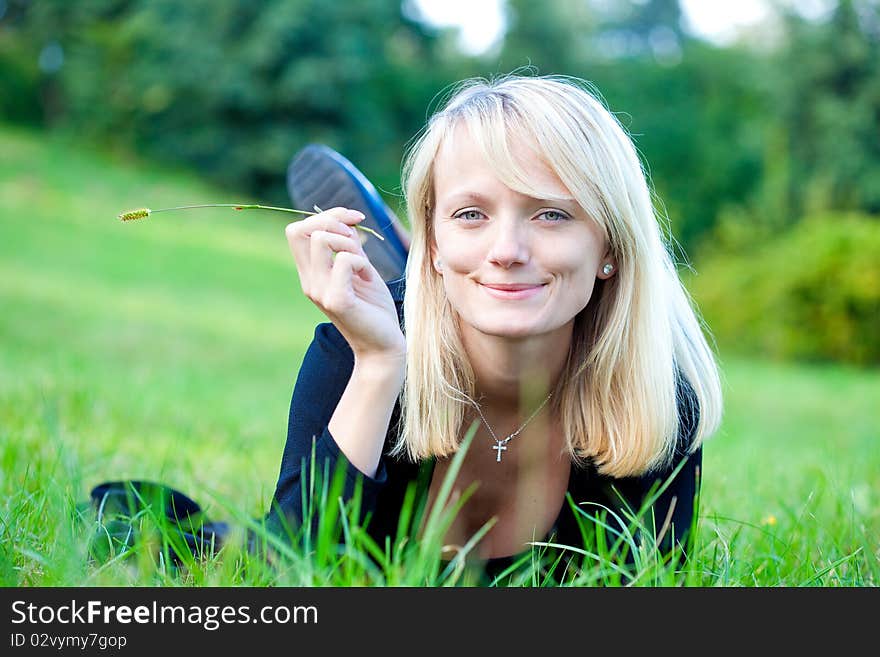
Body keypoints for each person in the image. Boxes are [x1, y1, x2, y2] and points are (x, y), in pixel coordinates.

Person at [268, 73, 723, 584]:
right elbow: (292, 572)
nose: (507, 250)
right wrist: (378, 365)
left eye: (551, 214)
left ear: (611, 247)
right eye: (470, 214)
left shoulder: (657, 391)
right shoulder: (355, 347)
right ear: (433, 244)